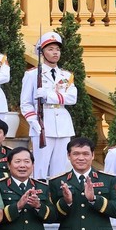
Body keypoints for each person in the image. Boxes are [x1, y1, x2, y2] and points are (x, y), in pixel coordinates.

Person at [21, 31, 76, 180]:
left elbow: (72, 98)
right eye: (50, 49)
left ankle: (58, 199)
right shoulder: (32, 75)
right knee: (40, 166)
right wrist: (34, 122)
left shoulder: (66, 76)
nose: (55, 53)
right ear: (42, 52)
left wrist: (48, 96)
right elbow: (25, 104)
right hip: (42, 124)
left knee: (61, 169)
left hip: (63, 124)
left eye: (57, 49)